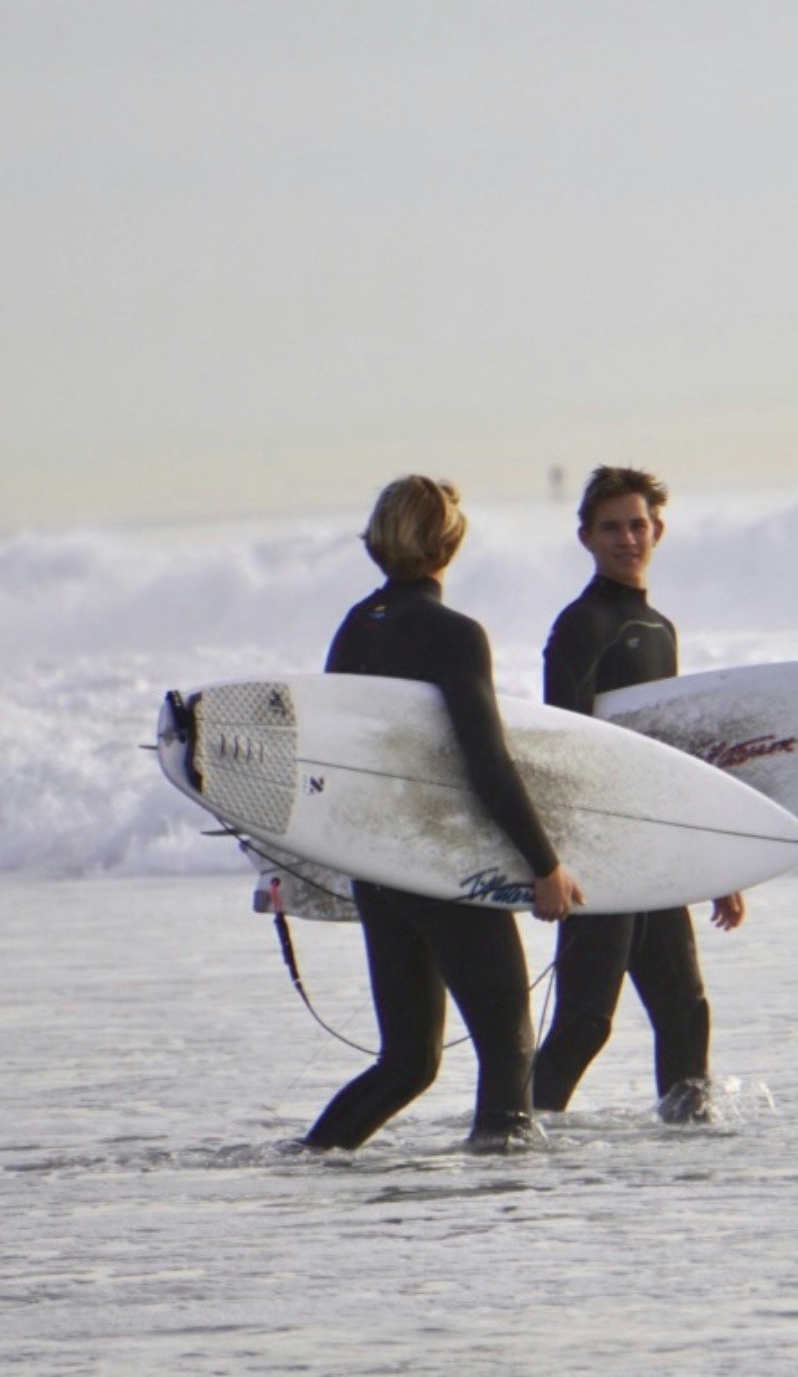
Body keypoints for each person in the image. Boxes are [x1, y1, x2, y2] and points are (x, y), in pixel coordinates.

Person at [303, 475, 583, 1152]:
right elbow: (485, 761)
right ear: (449, 541)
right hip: (443, 864)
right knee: (508, 1056)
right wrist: (546, 865)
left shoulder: (354, 627)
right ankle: (499, 1217)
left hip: (379, 868)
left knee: (408, 1063)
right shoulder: (453, 635)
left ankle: (306, 1165)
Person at [530, 465, 742, 1122]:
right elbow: (559, 746)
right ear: (586, 537)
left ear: (659, 530)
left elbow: (665, 758)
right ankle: (511, 1134)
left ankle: (687, 1150)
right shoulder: (582, 626)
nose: (628, 539)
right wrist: (558, 860)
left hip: (655, 849)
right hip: (600, 853)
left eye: (638, 525)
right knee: (586, 1022)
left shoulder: (661, 631)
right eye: (612, 527)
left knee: (686, 1012)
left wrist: (714, 862)